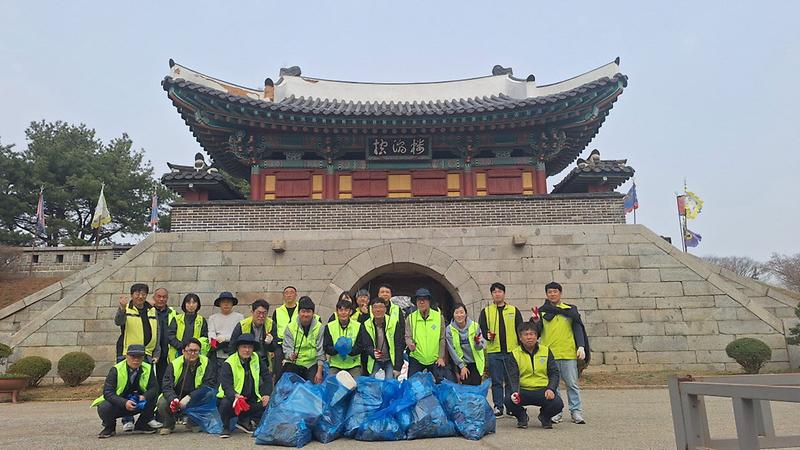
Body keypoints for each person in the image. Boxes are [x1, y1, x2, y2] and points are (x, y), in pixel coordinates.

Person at [532, 281, 590, 424]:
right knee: (553, 386)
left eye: (555, 291)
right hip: (549, 354)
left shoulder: (570, 310)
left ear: (560, 293)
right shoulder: (542, 311)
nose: (552, 294)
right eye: (549, 292)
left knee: (572, 384)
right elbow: (536, 332)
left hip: (567, 353)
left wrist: (581, 346)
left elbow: (577, 328)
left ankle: (576, 411)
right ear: (546, 294)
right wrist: (535, 321)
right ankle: (556, 411)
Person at [114, 283, 162, 431]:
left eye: (143, 294)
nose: (140, 296)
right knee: (126, 387)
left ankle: (146, 419)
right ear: (132, 295)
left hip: (147, 354)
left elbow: (157, 332)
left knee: (149, 388)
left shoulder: (152, 310)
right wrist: (122, 308)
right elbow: (118, 322)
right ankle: (127, 420)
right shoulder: (127, 309)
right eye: (137, 293)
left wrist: (157, 352)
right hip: (128, 354)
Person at [92, 344, 161, 438]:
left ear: (143, 358)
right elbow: (108, 393)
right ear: (126, 356)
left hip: (138, 402)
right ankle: (109, 428)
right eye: (133, 356)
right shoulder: (116, 370)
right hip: (119, 403)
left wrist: (144, 397)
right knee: (104, 406)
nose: (136, 360)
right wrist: (124, 402)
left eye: (139, 357)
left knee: (153, 396)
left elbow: (154, 388)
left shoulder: (148, 368)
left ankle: (142, 424)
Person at [505, 322, 563, 429]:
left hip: (542, 390)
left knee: (558, 403)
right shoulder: (514, 353)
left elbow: (554, 373)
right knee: (508, 400)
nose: (529, 337)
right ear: (520, 338)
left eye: (532, 334)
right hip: (523, 390)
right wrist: (514, 392)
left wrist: (551, 389)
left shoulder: (546, 351)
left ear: (537, 336)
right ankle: (522, 417)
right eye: (525, 334)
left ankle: (545, 417)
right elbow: (512, 376)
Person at [478, 282, 523, 416]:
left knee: (511, 380)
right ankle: (498, 406)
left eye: (499, 291)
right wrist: (487, 335)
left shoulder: (513, 310)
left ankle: (510, 405)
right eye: (494, 292)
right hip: (494, 351)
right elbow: (482, 328)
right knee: (496, 381)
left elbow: (520, 328)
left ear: (504, 293)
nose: (497, 294)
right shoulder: (486, 311)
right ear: (491, 294)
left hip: (511, 351)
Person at [217, 333, 272, 438]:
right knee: (225, 403)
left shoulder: (256, 358)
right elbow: (226, 385)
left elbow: (267, 377)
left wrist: (266, 394)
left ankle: (244, 420)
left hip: (250, 399)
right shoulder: (229, 362)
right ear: (238, 348)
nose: (247, 350)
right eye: (244, 347)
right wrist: (235, 396)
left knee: (268, 403)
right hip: (234, 399)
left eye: (250, 347)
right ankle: (225, 427)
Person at [157, 338, 216, 435]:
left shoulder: (206, 362)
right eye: (190, 350)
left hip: (195, 395)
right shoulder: (174, 364)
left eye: (196, 351)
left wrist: (190, 397)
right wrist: (173, 399)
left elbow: (209, 384)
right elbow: (166, 386)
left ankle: (193, 422)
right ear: (183, 351)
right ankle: (168, 424)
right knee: (162, 402)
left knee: (209, 394)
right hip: (176, 395)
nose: (193, 354)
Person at [405, 288, 449, 381]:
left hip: (435, 359)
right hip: (416, 357)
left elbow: (442, 338)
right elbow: (408, 336)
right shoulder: (410, 318)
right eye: (419, 300)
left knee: (441, 384)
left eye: (424, 299)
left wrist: (441, 357)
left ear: (429, 301)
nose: (421, 302)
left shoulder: (438, 317)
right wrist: (409, 344)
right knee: (412, 384)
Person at [358, 296, 404, 379]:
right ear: (371, 310)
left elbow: (399, 345)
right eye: (375, 307)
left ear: (385, 309)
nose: (378, 310)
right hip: (374, 361)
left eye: (381, 307)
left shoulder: (393, 323)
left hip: (390, 360)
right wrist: (373, 352)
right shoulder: (366, 324)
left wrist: (398, 367)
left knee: (389, 383)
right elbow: (366, 344)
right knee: (373, 383)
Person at [229, 299, 276, 380]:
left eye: (264, 313)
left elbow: (275, 347)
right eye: (258, 313)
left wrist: (270, 343)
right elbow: (232, 345)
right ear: (252, 312)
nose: (261, 316)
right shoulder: (242, 325)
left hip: (264, 360)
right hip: (245, 360)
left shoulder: (271, 324)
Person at [281, 296, 325, 383]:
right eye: (303, 311)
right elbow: (287, 348)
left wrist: (319, 372)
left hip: (313, 364)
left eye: (308, 312)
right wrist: (290, 355)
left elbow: (321, 351)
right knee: (287, 384)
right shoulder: (290, 327)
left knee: (314, 385)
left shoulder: (319, 327)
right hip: (295, 363)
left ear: (313, 313)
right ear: (298, 312)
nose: (305, 314)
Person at [323, 297, 365, 378]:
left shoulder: (358, 326)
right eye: (341, 310)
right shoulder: (329, 326)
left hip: (353, 364)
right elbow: (326, 347)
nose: (343, 312)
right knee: (332, 383)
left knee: (355, 383)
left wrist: (349, 350)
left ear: (350, 312)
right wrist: (337, 349)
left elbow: (361, 346)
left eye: (346, 310)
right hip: (335, 365)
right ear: (337, 312)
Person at [445, 303, 486, 386]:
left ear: (466, 313)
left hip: (475, 362)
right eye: (456, 313)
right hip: (461, 363)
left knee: (476, 388)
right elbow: (452, 350)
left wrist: (477, 343)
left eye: (461, 312)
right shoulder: (449, 329)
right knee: (465, 388)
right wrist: (462, 366)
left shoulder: (474, 326)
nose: (459, 315)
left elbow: (480, 347)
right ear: (453, 315)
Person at [166, 293, 209, 363]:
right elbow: (170, 336)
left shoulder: (201, 320)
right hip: (177, 353)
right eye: (188, 303)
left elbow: (204, 338)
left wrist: (193, 347)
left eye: (194, 302)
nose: (191, 305)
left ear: (198, 304)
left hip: (194, 354)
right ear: (184, 304)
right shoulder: (176, 319)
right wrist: (182, 346)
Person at [207, 292, 245, 367]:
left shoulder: (239, 317)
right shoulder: (213, 318)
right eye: (223, 302)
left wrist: (225, 338)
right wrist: (215, 342)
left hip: (234, 352)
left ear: (232, 304)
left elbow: (240, 334)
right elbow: (211, 334)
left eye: (228, 302)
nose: (226, 304)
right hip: (218, 353)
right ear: (219, 304)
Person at [271, 285, 298, 380]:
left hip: (297, 344)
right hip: (281, 345)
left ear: (296, 295)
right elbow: (273, 329)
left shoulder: (301, 310)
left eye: (291, 293)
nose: (289, 295)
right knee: (279, 370)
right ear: (283, 296)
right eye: (286, 293)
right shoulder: (278, 311)